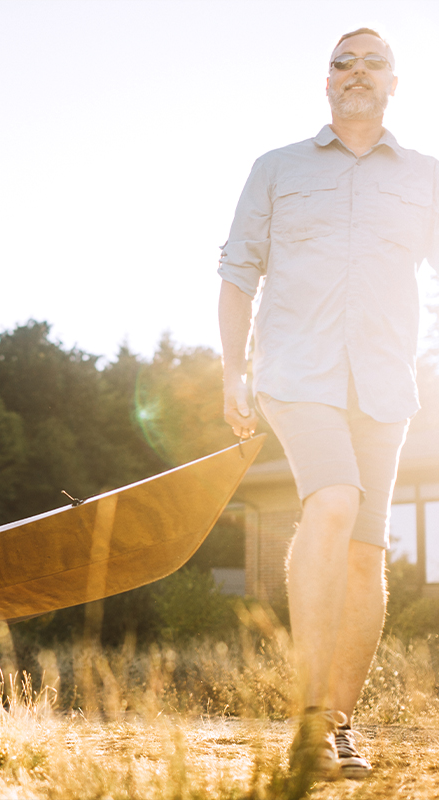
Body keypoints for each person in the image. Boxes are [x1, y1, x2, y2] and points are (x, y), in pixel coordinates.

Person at [219, 28, 439, 780]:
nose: (357, 73)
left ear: (394, 83)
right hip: (297, 372)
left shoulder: (426, 177)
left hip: (386, 386)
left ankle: (339, 726)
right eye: (342, 62)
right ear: (326, 82)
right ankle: (309, 720)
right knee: (334, 502)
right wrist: (230, 372)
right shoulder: (277, 169)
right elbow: (237, 272)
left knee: (366, 554)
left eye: (373, 61)